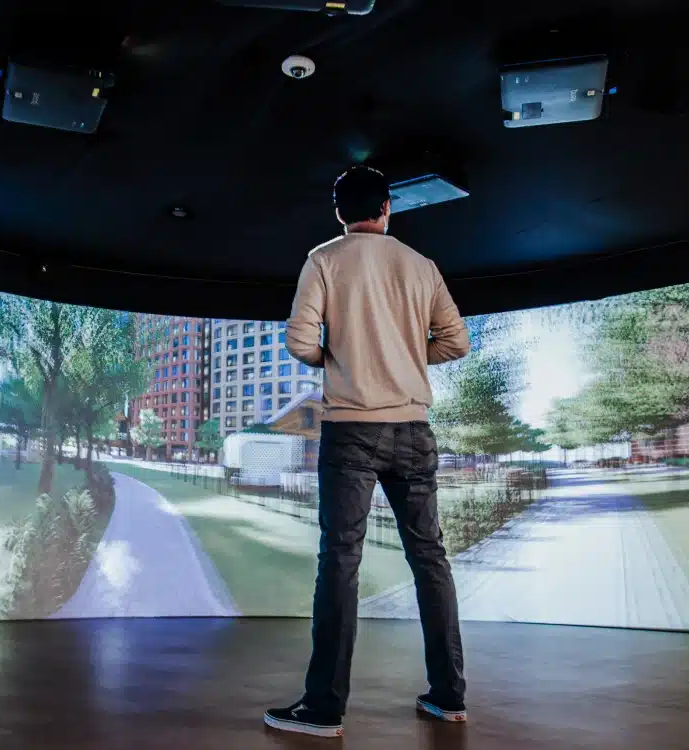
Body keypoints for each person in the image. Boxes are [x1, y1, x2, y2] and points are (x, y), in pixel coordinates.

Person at [263, 165, 472, 738]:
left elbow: (300, 342)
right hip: (413, 430)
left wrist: (346, 359)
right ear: (387, 209)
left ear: (340, 213)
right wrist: (403, 357)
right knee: (430, 560)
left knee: (340, 562)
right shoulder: (421, 266)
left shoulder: (324, 259)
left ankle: (324, 709)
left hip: (352, 430)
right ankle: (450, 696)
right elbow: (456, 341)